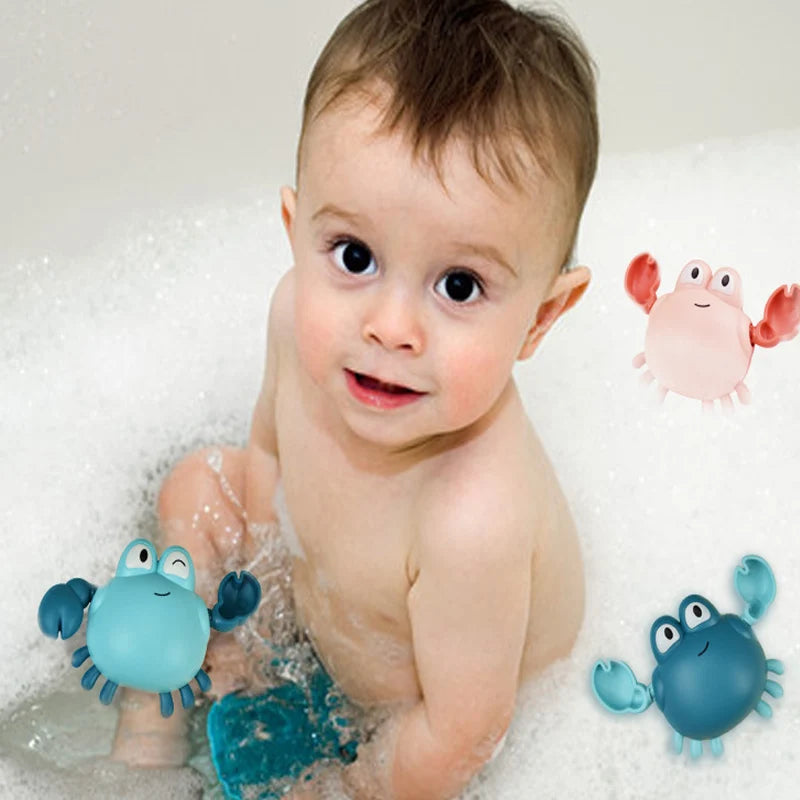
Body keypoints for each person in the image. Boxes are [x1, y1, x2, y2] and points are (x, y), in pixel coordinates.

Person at [111, 0, 598, 797]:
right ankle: (145, 737)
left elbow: (464, 732)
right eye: (354, 256)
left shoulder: (474, 518)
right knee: (195, 487)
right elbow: (267, 453)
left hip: (411, 711)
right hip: (319, 608)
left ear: (541, 318)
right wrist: (260, 624)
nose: (391, 328)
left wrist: (346, 786)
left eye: (459, 285)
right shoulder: (292, 320)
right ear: (295, 231)